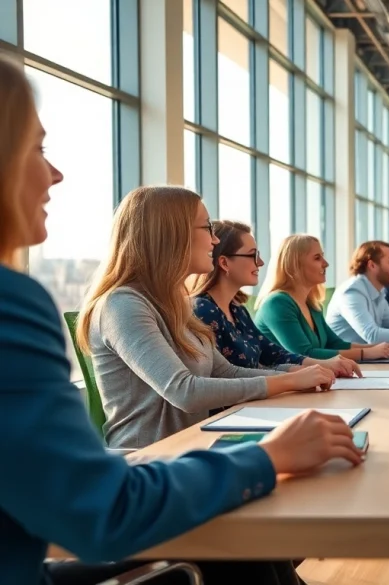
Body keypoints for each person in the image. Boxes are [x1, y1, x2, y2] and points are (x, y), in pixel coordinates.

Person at [0, 54, 361, 585]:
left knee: (264, 553)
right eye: (37, 148)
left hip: (185, 454)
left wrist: (292, 386)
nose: (55, 173)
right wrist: (269, 455)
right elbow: (177, 402)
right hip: (155, 459)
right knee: (256, 551)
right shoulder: (87, 304)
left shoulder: (178, 306)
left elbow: (219, 373)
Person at [78, 187, 338, 450]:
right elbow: (185, 392)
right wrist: (290, 381)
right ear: (172, 235)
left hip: (197, 447)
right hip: (149, 461)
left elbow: (227, 371)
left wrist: (301, 375)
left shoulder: (176, 304)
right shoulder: (122, 305)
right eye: (207, 228)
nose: (215, 241)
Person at [189, 220, 361, 378]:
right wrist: (296, 376)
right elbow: (227, 375)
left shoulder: (238, 310)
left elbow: (273, 354)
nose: (261, 262)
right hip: (234, 410)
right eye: (253, 255)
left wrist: (324, 365)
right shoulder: (204, 310)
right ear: (225, 263)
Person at [252, 235, 389, 361]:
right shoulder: (277, 303)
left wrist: (378, 348)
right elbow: (304, 354)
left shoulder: (311, 304)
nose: (326, 263)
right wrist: (366, 353)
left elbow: (335, 343)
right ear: (295, 265)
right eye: (317, 258)